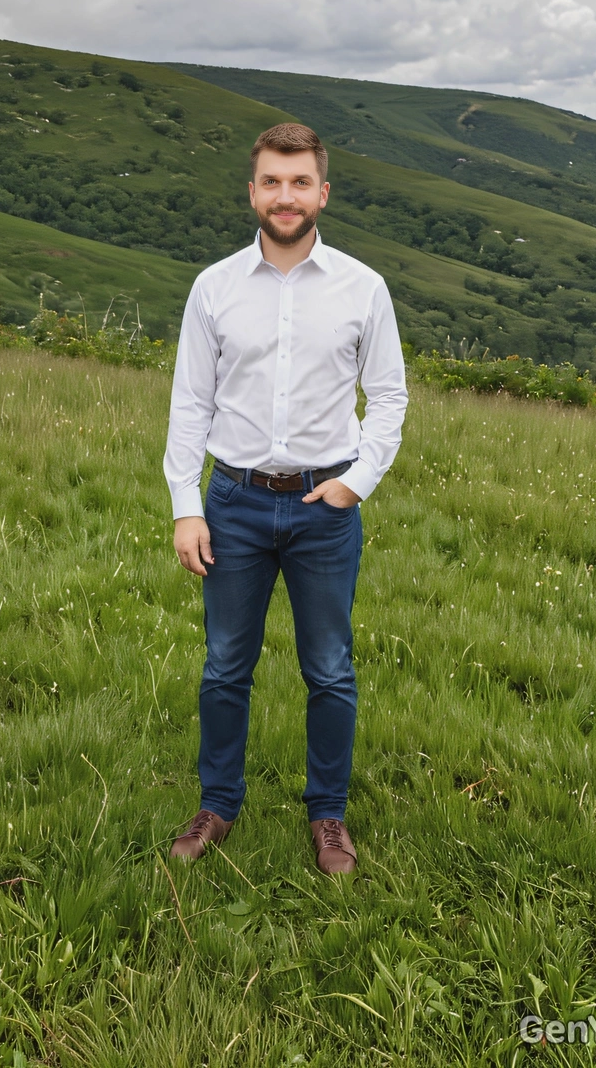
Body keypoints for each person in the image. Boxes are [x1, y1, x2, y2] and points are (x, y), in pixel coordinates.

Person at [163, 122, 408, 874]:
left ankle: (328, 814)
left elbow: (389, 397)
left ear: (322, 192)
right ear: (253, 192)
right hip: (233, 502)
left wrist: (355, 483)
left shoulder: (363, 288)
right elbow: (190, 402)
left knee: (329, 668)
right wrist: (186, 504)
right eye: (272, 181)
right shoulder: (214, 288)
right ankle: (217, 804)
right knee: (224, 666)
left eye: (300, 182)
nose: (285, 195)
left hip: (323, 509)